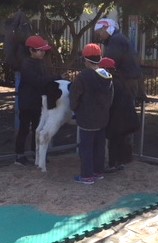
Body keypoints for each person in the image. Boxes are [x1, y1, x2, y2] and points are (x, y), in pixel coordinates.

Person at [14, 35, 64, 166]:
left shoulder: (39, 62)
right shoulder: (26, 65)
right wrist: (55, 77)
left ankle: (36, 153)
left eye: (43, 50)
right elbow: (38, 81)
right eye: (40, 50)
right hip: (27, 102)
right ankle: (19, 155)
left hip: (38, 101)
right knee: (24, 128)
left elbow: (43, 78)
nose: (43, 52)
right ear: (31, 50)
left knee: (38, 128)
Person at [70, 44, 114, 184]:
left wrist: (75, 109)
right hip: (103, 118)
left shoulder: (83, 76)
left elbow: (74, 96)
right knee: (99, 145)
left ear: (86, 60)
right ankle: (98, 171)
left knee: (86, 147)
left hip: (87, 118)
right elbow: (111, 97)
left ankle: (87, 176)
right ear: (100, 59)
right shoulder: (107, 76)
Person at [99, 57, 141, 172]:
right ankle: (120, 162)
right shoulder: (119, 80)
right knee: (121, 140)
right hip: (126, 116)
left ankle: (113, 164)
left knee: (114, 141)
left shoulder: (110, 83)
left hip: (117, 117)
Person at [93, 18, 147, 102]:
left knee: (124, 108)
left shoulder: (115, 40)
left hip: (126, 80)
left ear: (105, 28)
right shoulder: (118, 38)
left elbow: (109, 60)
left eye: (99, 32)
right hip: (129, 79)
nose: (99, 36)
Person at [4, 10, 33, 129]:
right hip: (21, 64)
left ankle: (20, 121)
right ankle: (21, 122)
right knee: (22, 93)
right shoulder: (22, 29)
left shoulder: (11, 29)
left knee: (20, 92)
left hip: (17, 64)